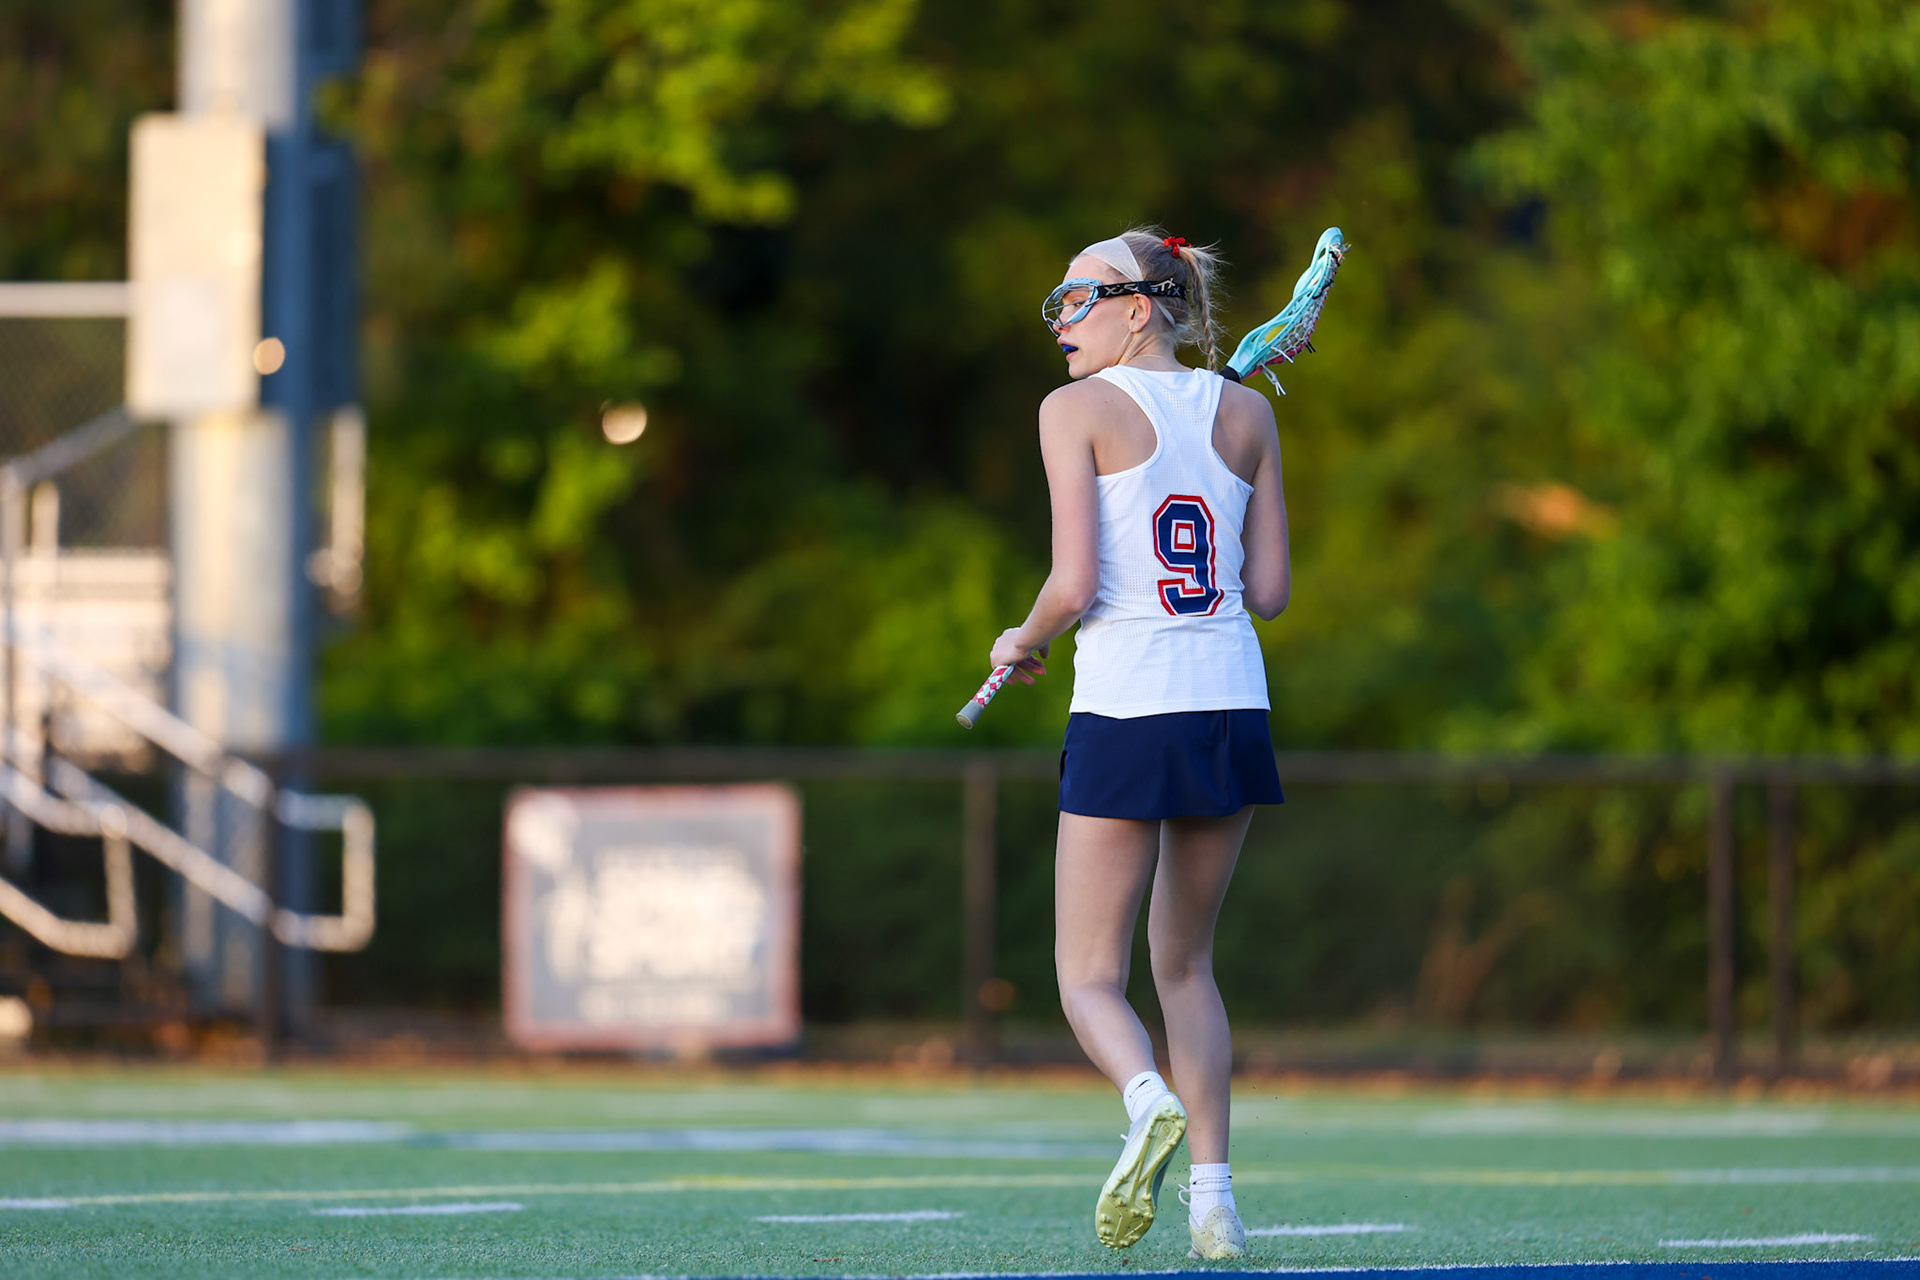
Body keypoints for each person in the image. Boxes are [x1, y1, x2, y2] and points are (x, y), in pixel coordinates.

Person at [990, 228, 1290, 1261]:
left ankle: (1145, 1096)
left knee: (1085, 975)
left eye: (1075, 299)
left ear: (1138, 307)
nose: (1062, 321)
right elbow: (1270, 592)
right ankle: (1215, 1202)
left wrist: (1018, 639)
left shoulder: (1071, 411)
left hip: (1127, 705)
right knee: (1188, 963)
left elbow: (1074, 586)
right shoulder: (1246, 409)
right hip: (1230, 706)